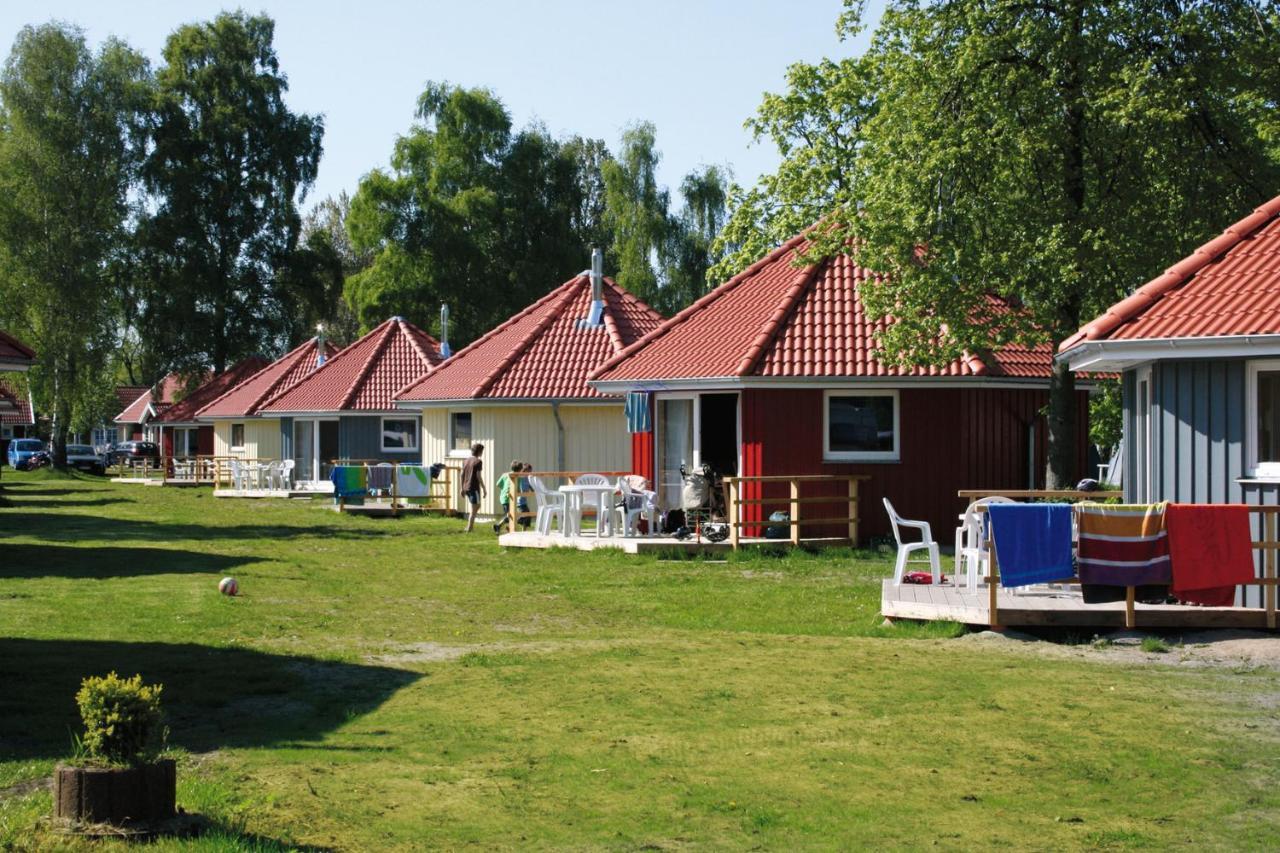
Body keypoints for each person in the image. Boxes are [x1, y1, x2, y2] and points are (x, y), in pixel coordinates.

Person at [459, 442, 486, 532]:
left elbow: (461, 474)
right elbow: (478, 476)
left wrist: (461, 488)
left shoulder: (465, 461)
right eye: (482, 451)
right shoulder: (478, 462)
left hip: (466, 487)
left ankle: (469, 527)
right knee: (476, 507)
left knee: (475, 507)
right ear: (479, 452)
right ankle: (469, 528)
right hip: (473, 487)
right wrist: (484, 488)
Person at [493, 460, 524, 534]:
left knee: (511, 515)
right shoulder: (518, 477)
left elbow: (498, 484)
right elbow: (518, 490)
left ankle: (508, 528)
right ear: (520, 470)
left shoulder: (505, 475)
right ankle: (498, 526)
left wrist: (504, 489)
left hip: (504, 497)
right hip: (508, 499)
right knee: (510, 515)